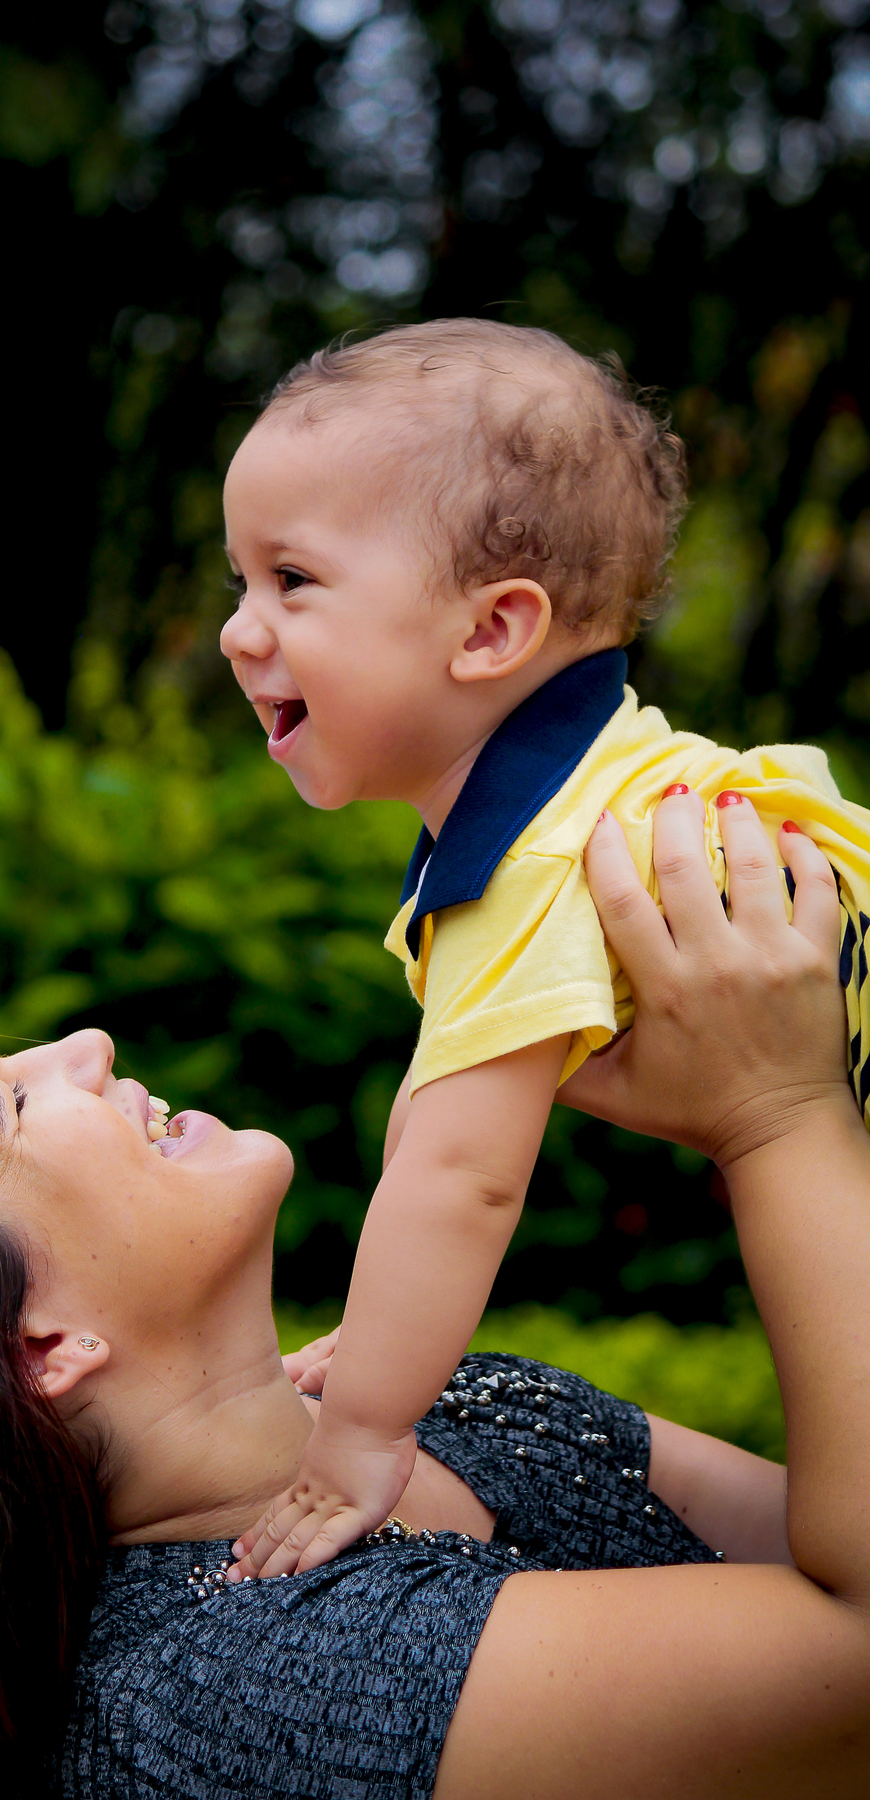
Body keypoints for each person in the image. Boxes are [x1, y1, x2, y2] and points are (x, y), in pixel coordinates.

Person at [0, 791, 869, 1796]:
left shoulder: (460, 1411)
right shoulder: (230, 1699)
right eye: (16, 1098)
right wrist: (775, 1122)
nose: (83, 1047)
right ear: (36, 1345)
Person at [218, 317, 870, 1577]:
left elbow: (462, 1180)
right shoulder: (576, 797)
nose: (244, 630)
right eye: (237, 582)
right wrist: (382, 1330)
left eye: (292, 580)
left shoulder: (539, 857)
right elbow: (437, 1120)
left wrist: (359, 1436)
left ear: (487, 634)